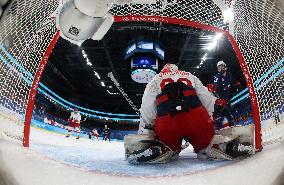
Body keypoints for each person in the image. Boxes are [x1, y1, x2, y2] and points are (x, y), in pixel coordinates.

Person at [125, 63, 254, 164]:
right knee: (205, 144)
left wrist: (147, 131)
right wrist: (209, 119)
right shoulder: (189, 75)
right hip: (196, 116)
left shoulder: (155, 80)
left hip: (168, 121)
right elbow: (207, 99)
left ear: (163, 71)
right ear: (176, 69)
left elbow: (147, 108)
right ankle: (222, 146)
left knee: (171, 149)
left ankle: (161, 149)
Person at [212, 61, 241, 130]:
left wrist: (236, 86)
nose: (220, 68)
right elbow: (216, 90)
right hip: (219, 102)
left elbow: (236, 84)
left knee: (230, 117)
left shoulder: (230, 75)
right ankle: (217, 130)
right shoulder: (217, 77)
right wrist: (221, 100)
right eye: (218, 67)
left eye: (221, 66)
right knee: (219, 117)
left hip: (227, 101)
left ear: (225, 67)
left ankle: (232, 129)